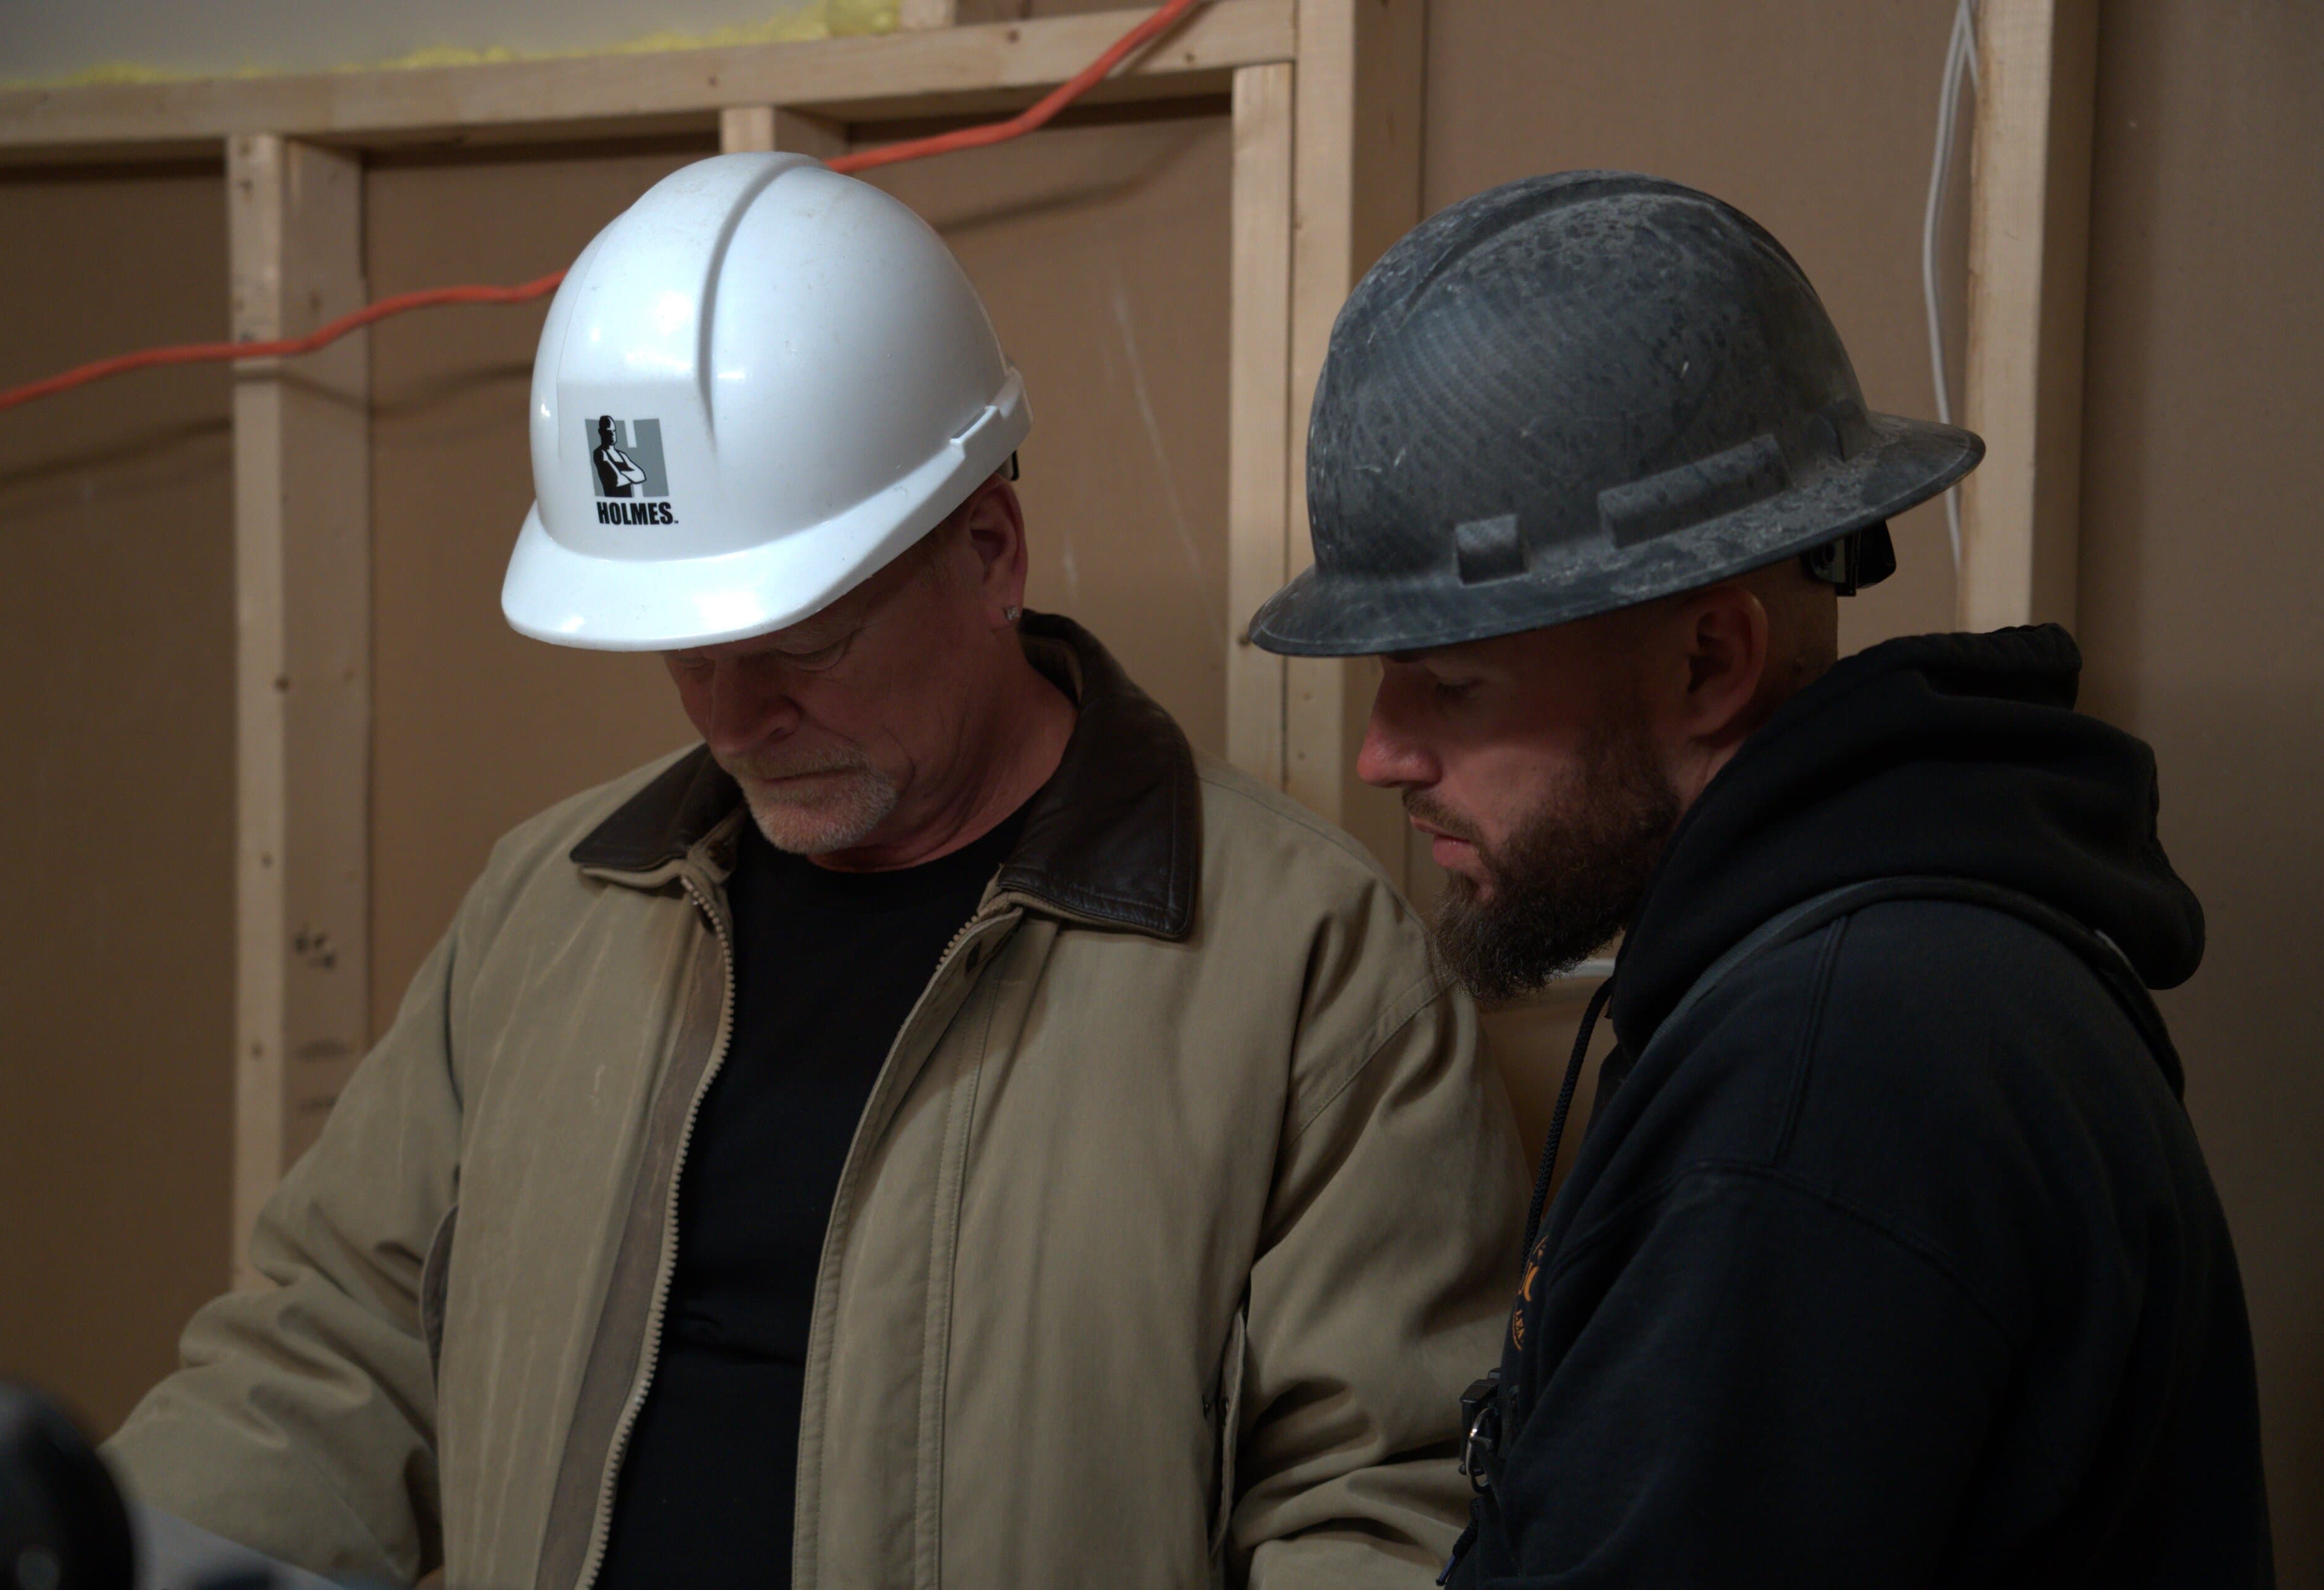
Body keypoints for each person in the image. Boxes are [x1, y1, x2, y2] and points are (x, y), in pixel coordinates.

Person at [106, 154, 1527, 1589]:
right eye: (684, 647)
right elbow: (325, 1357)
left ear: (988, 552)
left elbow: (1380, 1510)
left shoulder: (1303, 973)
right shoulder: (550, 910)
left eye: (798, 644)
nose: (728, 716)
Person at [1248, 171, 2273, 1588]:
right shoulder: (1863, 986)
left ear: (1708, 662)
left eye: (1453, 686)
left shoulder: (1836, 1079)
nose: (1381, 755)